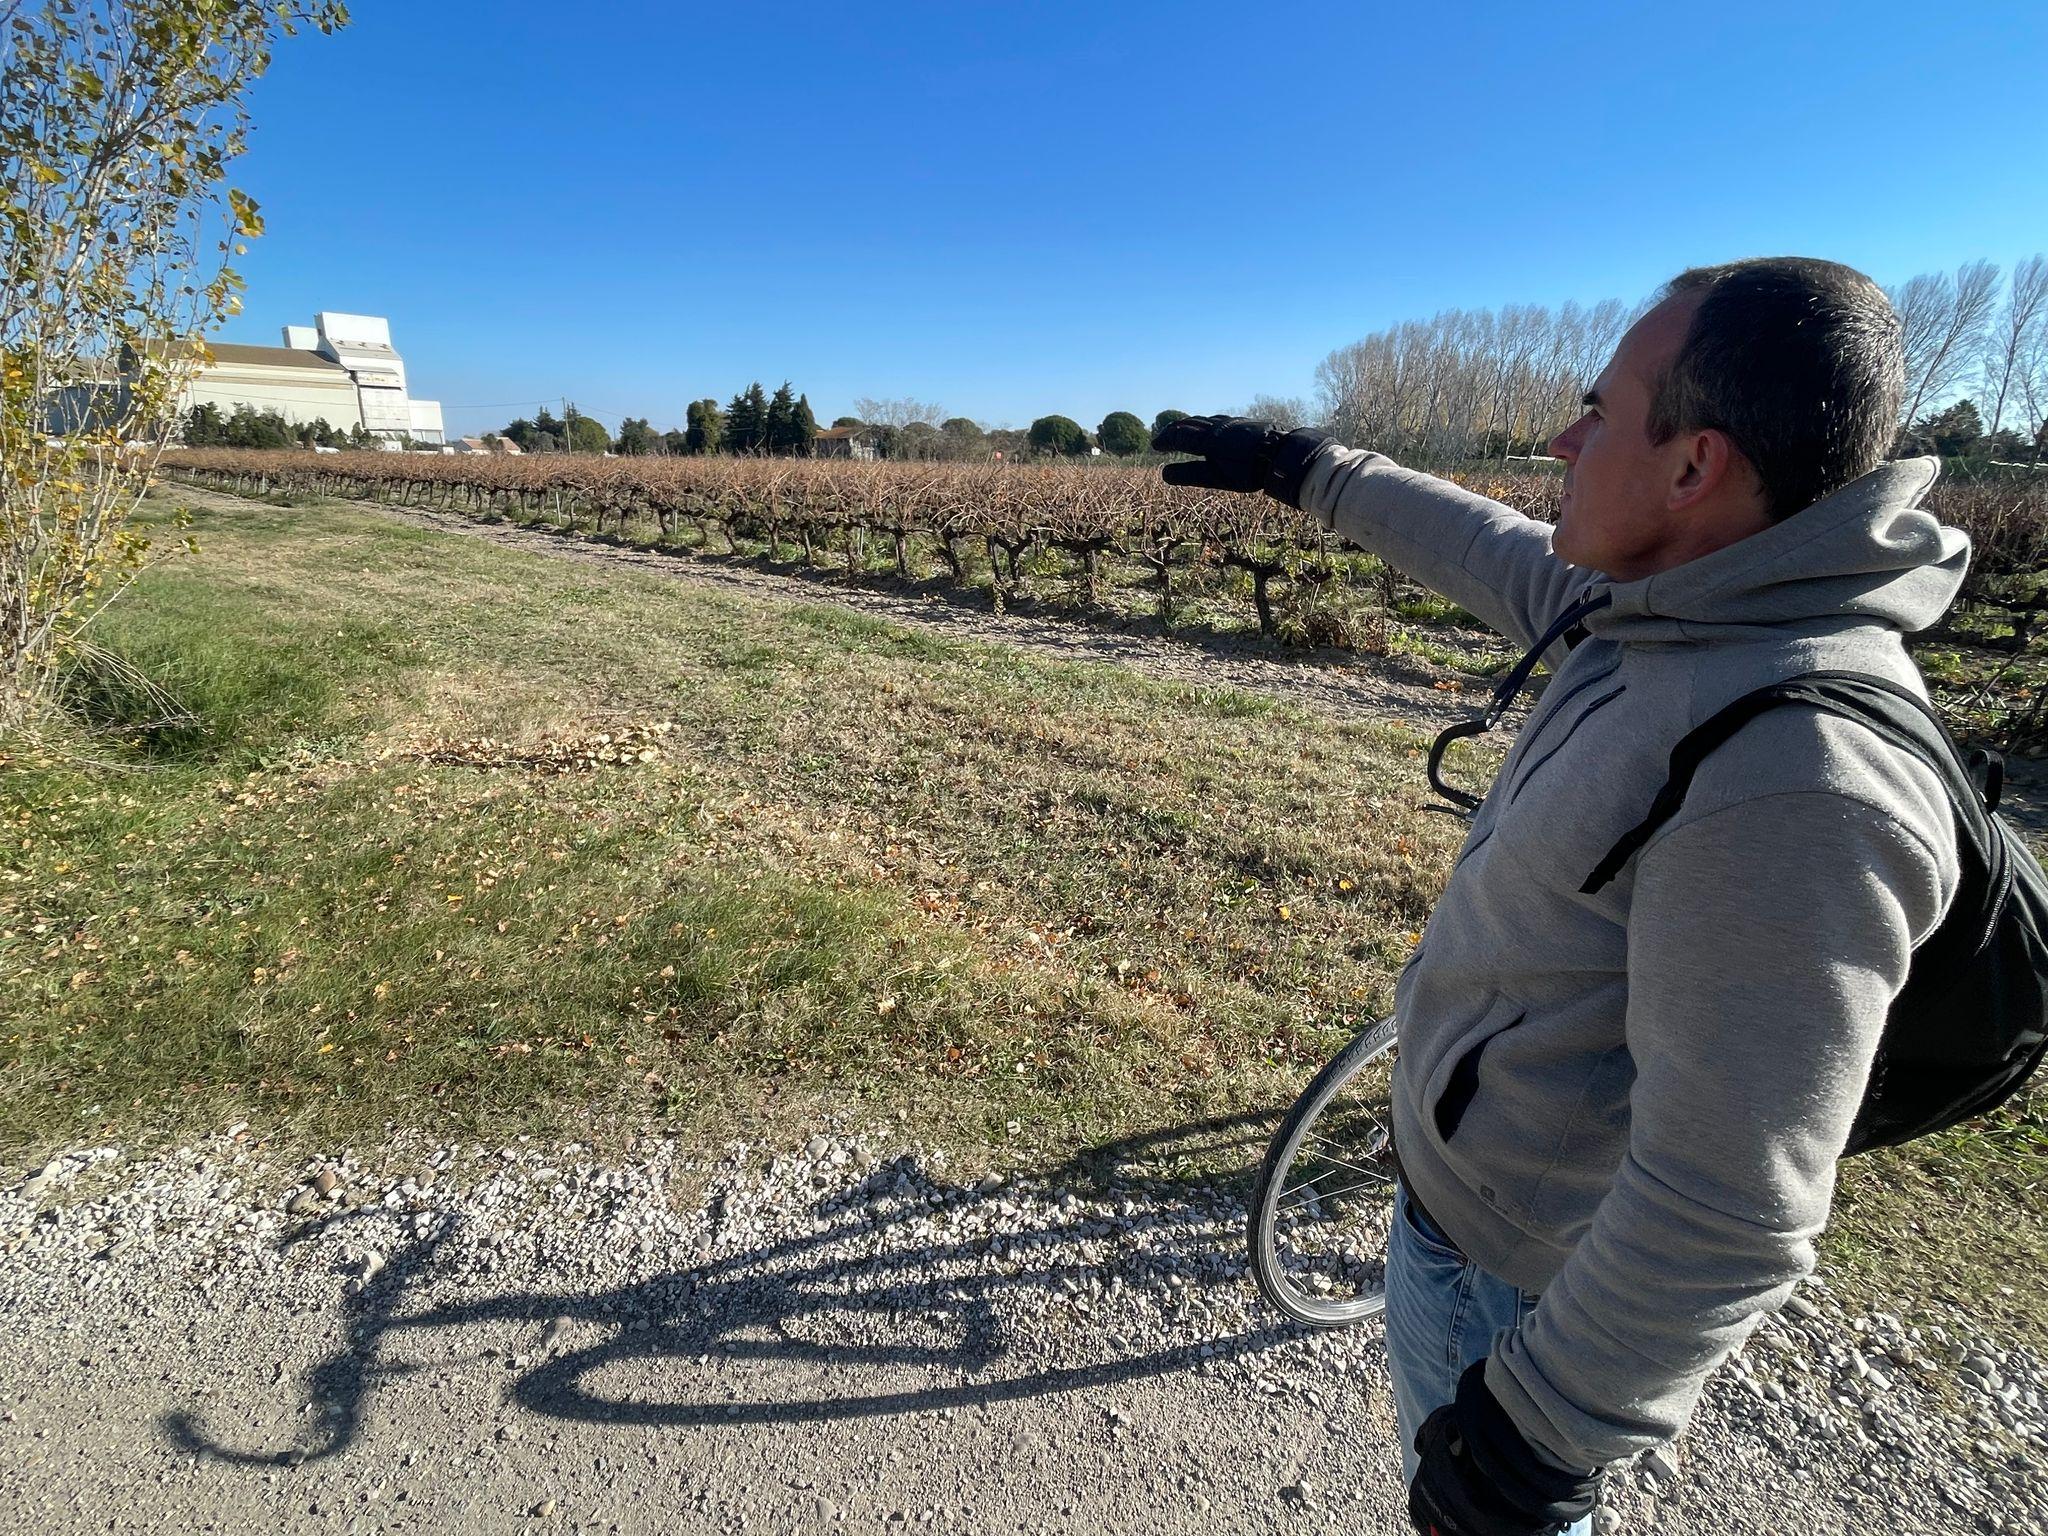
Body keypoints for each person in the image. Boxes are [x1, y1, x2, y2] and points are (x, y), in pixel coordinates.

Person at [1156, 258, 1967, 1536]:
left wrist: (1540, 1438)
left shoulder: (1795, 777)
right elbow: (1490, 547)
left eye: (1595, 407)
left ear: (1693, 467)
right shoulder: (1667, 607)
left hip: (1518, 1290)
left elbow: (1729, 1204)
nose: (1558, 438)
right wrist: (1307, 469)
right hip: (1461, 1219)